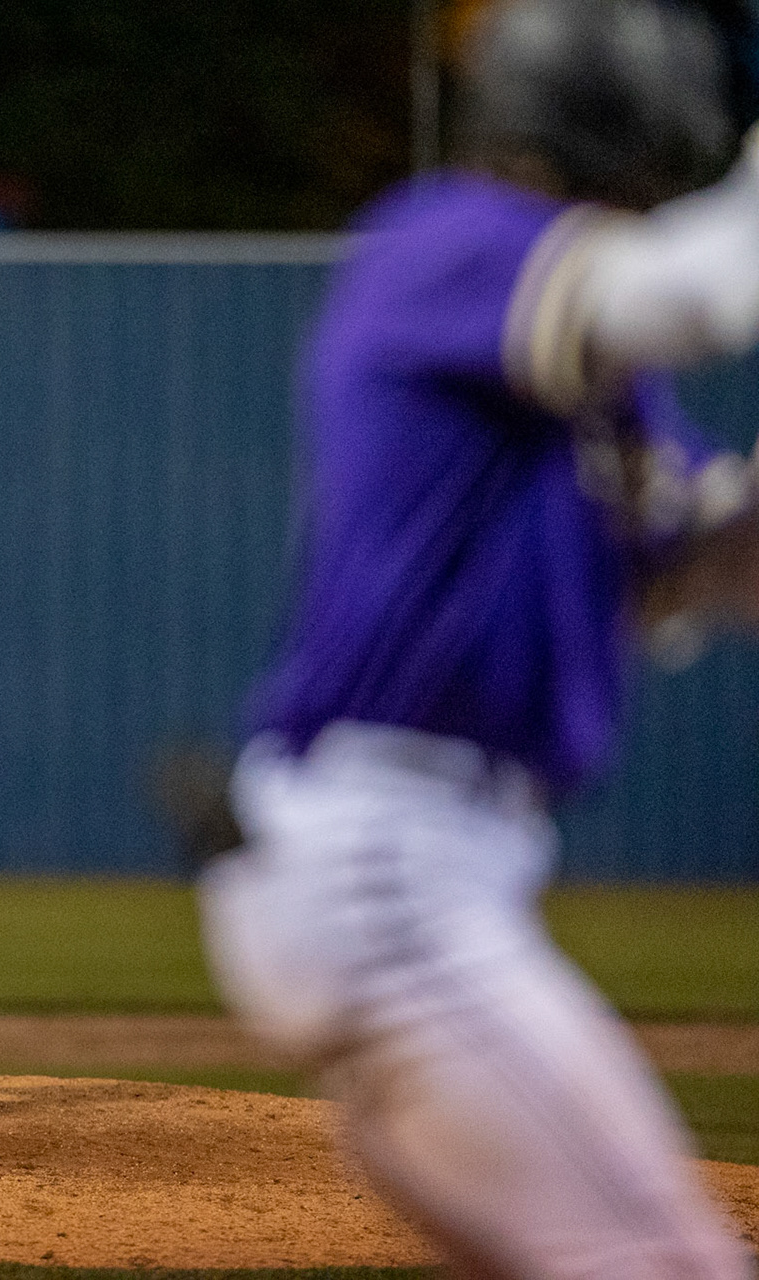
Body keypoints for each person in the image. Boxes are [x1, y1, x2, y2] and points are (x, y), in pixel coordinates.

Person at [198, 1, 759, 1276]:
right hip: (389, 864)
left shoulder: (598, 381)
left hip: (431, 866)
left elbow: (704, 565)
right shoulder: (448, 244)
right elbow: (711, 290)